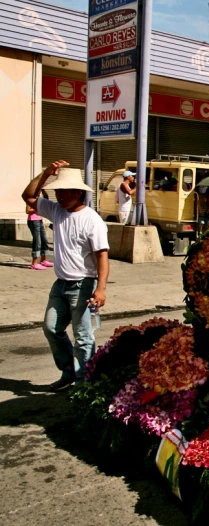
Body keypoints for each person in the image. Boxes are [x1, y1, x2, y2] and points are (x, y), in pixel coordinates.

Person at [21, 160, 110, 391]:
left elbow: (102, 256)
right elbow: (28, 197)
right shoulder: (56, 211)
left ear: (78, 193)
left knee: (83, 337)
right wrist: (45, 174)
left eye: (63, 191)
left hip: (83, 285)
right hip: (60, 284)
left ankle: (84, 384)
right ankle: (69, 373)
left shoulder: (92, 220)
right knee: (51, 328)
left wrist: (101, 289)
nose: (58, 195)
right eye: (56, 190)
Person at [26, 190, 53, 270]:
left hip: (39, 220)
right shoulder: (31, 199)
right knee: (37, 241)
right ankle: (34, 263)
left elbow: (46, 200)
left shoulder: (39, 199)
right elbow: (27, 210)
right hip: (33, 221)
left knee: (44, 240)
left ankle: (43, 260)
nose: (38, 193)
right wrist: (38, 209)